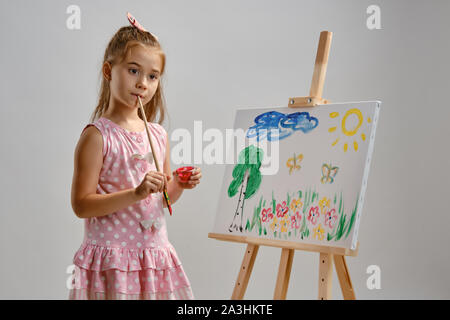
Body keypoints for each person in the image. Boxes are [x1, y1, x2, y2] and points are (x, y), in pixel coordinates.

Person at [68, 16, 202, 300]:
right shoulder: (97, 136)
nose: (143, 83)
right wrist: (136, 192)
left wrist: (177, 183)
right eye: (133, 71)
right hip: (113, 262)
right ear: (108, 70)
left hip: (152, 258)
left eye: (152, 76)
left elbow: (162, 199)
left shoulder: (158, 135)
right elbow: (81, 205)